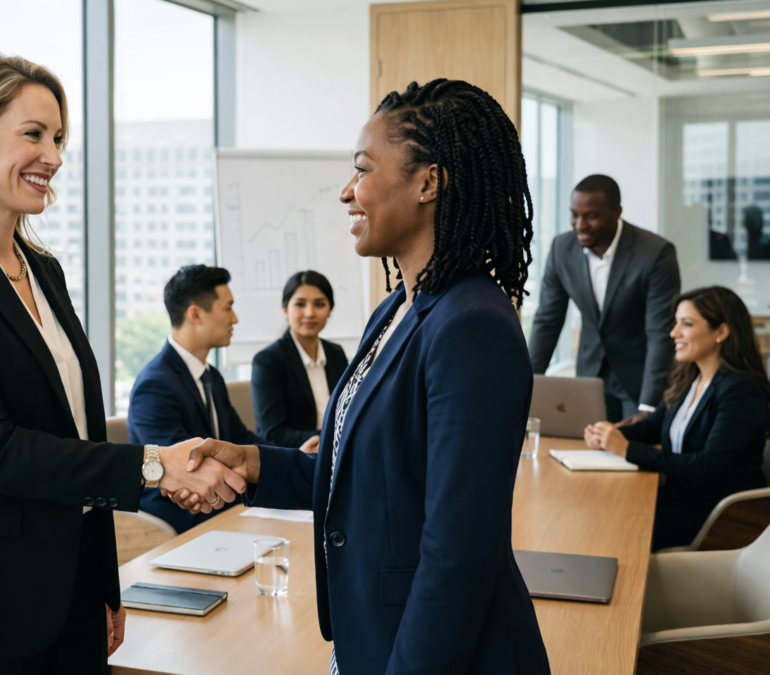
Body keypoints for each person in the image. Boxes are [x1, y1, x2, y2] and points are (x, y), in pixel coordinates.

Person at [0, 53, 244, 674]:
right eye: (34, 134)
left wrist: (104, 583)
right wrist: (155, 465)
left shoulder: (42, 270)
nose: (54, 157)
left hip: (67, 593)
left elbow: (76, 435)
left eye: (59, 139)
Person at [171, 79, 551, 674]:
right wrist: (256, 464)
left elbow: (458, 553)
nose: (347, 192)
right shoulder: (397, 309)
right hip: (370, 635)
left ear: (428, 181)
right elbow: (369, 476)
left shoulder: (472, 324)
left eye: (363, 170)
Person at [127, 265, 313, 534]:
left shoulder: (211, 376)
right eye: (228, 308)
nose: (234, 319)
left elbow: (241, 437)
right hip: (177, 516)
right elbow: (185, 469)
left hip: (217, 501)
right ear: (196, 314)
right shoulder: (155, 385)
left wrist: (294, 458)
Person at [585, 286, 769, 551]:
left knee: (617, 526)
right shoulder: (690, 378)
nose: (674, 333)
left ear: (721, 332)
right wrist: (608, 435)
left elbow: (710, 467)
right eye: (676, 323)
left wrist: (626, 449)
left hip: (719, 513)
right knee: (605, 507)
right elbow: (653, 426)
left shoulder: (741, 390)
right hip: (683, 498)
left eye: (687, 324)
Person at [528, 174, 681, 424]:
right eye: (574, 215)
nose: (579, 224)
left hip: (641, 379)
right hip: (590, 378)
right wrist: (528, 389)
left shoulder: (655, 254)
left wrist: (648, 407)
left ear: (616, 211)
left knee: (633, 455)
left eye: (591, 216)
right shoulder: (561, 250)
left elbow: (660, 332)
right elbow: (547, 321)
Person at [251, 271, 349, 448]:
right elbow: (272, 434)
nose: (310, 313)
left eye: (319, 304)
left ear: (330, 310)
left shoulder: (336, 353)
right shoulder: (267, 361)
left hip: (339, 452)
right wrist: (335, 436)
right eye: (300, 304)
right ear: (285, 310)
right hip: (295, 456)